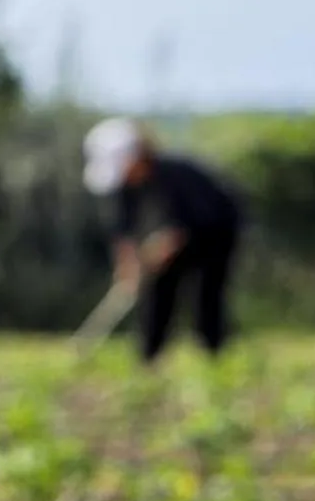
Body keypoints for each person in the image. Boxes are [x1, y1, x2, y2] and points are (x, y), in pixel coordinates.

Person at [83, 117, 244, 365]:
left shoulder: (177, 174)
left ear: (138, 156)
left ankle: (213, 354)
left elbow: (195, 219)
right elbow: (123, 228)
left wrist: (162, 247)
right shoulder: (125, 186)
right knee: (158, 290)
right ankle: (150, 358)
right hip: (175, 236)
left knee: (207, 295)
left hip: (215, 233)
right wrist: (127, 263)